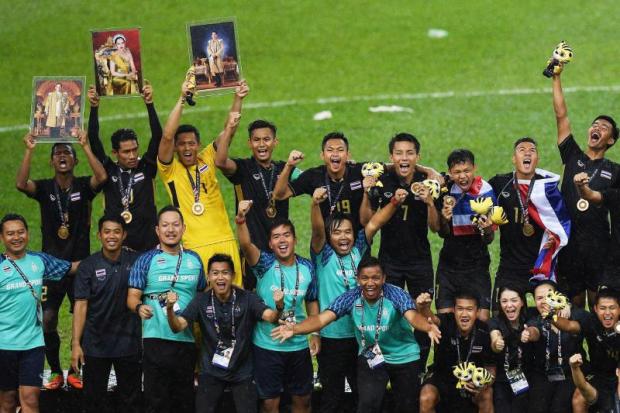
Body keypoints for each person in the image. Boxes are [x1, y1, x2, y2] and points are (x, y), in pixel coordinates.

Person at [271, 256, 441, 413]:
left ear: (384, 279)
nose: (370, 283)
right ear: (358, 279)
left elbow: (412, 316)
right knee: (367, 403)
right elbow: (322, 319)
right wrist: (295, 328)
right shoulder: (350, 298)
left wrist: (427, 327)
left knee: (407, 407)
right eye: (365, 278)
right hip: (371, 357)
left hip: (404, 357)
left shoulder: (396, 294)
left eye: (375, 278)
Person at [15, 131, 107, 390]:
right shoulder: (45, 188)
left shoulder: (83, 187)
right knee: (47, 319)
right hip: (52, 269)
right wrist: (29, 149)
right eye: (58, 154)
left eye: (67, 153)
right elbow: (22, 184)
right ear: (52, 162)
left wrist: (86, 146)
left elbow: (102, 177)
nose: (62, 156)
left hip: (81, 267)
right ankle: (55, 370)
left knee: (86, 321)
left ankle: (77, 370)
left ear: (75, 161)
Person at [310, 186, 409, 412]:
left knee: (364, 394)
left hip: (360, 337)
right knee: (331, 398)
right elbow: (317, 231)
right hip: (332, 338)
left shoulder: (358, 250)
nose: (343, 237)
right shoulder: (323, 254)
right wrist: (315, 205)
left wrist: (394, 201)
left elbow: (374, 223)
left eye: (348, 231)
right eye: (336, 232)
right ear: (329, 236)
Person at [166, 253, 285, 413]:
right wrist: (169, 309)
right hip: (211, 370)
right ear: (208, 276)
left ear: (233, 276)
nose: (220, 277)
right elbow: (178, 326)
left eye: (225, 272)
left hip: (242, 371)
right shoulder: (201, 300)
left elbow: (271, 317)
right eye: (215, 273)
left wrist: (279, 306)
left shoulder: (247, 298)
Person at [157, 78, 242, 286]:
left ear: (199, 144)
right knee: (202, 308)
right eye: (182, 144)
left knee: (235, 303)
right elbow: (167, 137)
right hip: (194, 247)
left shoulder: (208, 158)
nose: (187, 148)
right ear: (176, 148)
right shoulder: (169, 170)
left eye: (191, 144)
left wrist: (238, 98)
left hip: (225, 240)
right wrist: (182, 99)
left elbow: (229, 130)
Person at [236, 202, 318, 413]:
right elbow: (246, 245)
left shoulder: (308, 267)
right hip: (267, 346)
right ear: (270, 244)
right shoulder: (264, 264)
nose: (282, 240)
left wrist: (315, 333)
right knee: (269, 403)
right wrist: (241, 219)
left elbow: (311, 301)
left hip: (298, 345)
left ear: (294, 239)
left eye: (286, 235)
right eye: (276, 237)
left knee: (303, 400)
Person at [368, 132, 439, 369]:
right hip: (390, 261)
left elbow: (436, 228)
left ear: (417, 156)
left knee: (423, 309)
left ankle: (418, 368)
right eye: (398, 153)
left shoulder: (428, 182)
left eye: (409, 153)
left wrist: (430, 201)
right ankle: (391, 363)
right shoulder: (383, 178)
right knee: (388, 314)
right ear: (391, 156)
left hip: (420, 261)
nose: (404, 158)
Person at [127, 206, 207, 413]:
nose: (170, 230)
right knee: (157, 399)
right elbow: (132, 297)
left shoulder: (194, 260)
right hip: (155, 339)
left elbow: (201, 295)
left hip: (186, 340)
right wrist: (139, 307)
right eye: (165, 225)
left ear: (183, 228)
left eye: (175, 224)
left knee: (184, 399)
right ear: (157, 230)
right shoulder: (145, 260)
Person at [552, 67, 620, 308]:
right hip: (569, 243)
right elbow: (561, 116)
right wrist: (556, 77)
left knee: (599, 305)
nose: (597, 128)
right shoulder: (573, 156)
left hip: (599, 245)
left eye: (603, 127)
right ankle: (574, 348)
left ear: (610, 140)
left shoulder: (615, 170)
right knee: (573, 305)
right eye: (595, 125)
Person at [0, 214, 71, 413]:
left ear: (28, 234)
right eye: (10, 234)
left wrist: (105, 258)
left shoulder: (39, 261)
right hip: (3, 346)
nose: (16, 237)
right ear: (2, 238)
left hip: (33, 345)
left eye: (21, 232)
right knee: (7, 400)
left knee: (30, 399)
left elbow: (71, 268)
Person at [71, 216, 142, 413]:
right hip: (95, 346)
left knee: (131, 402)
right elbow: (81, 305)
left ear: (124, 235)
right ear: (99, 235)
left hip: (129, 344)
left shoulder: (136, 261)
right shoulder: (88, 266)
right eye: (107, 231)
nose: (112, 236)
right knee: (94, 402)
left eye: (117, 231)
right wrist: (76, 344)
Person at [87, 82, 162, 251]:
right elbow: (94, 139)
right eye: (126, 152)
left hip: (148, 245)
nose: (132, 155)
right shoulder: (108, 170)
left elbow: (158, 136)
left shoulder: (146, 167)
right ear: (115, 153)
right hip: (119, 249)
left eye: (135, 150)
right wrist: (94, 108)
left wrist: (149, 104)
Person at [433, 149, 495, 321]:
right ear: (451, 173)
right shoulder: (445, 191)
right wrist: (444, 220)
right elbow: (442, 233)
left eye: (467, 171)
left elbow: (489, 239)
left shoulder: (485, 191)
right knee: (445, 323)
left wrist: (487, 229)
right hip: (449, 267)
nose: (463, 176)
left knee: (482, 322)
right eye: (457, 172)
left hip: (477, 266)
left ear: (474, 168)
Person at [419, 290, 495, 413]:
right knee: (426, 396)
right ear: (453, 310)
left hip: (472, 383)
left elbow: (491, 368)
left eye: (469, 309)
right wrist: (423, 307)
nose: (464, 314)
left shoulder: (484, 332)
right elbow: (431, 318)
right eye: (460, 309)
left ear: (477, 312)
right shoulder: (446, 322)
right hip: (443, 380)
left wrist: (482, 383)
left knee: (487, 394)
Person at [552, 288, 620, 412]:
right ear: (595, 309)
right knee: (579, 397)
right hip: (599, 374)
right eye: (603, 308)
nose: (607, 313)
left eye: (612, 308)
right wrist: (552, 315)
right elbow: (568, 326)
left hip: (618, 373)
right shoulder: (590, 322)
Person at [526, 281, 583, 413]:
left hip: (569, 374)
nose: (544, 301)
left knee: (560, 407)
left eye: (548, 296)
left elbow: (574, 327)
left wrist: (564, 307)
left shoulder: (574, 315)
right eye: (539, 298)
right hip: (542, 375)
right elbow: (534, 331)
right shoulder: (534, 319)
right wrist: (528, 333)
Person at [488, 286, 539, 412]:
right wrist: (496, 343)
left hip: (527, 374)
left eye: (514, 300)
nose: (509, 305)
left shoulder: (531, 315)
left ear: (522, 302)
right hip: (503, 376)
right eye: (504, 301)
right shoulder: (495, 321)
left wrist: (529, 333)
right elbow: (495, 336)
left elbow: (536, 329)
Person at [574, 173, 620, 292]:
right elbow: (590, 195)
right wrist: (582, 186)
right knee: (608, 306)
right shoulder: (616, 195)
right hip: (616, 267)